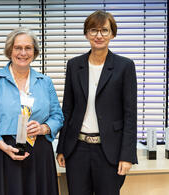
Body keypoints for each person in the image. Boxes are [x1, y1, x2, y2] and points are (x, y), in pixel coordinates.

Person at [56, 10, 138, 195]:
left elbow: (130, 115)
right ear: (86, 34)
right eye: (93, 30)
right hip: (77, 149)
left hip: (109, 151)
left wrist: (127, 156)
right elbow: (67, 109)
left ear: (112, 34)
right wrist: (61, 148)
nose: (98, 35)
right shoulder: (74, 65)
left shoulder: (124, 66)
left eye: (104, 30)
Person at [0, 27, 64, 195]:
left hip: (38, 153)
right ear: (10, 50)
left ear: (35, 52)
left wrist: (43, 128)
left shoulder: (45, 82)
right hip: (2, 154)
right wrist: (4, 147)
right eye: (18, 48)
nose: (23, 53)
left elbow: (57, 116)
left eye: (28, 48)